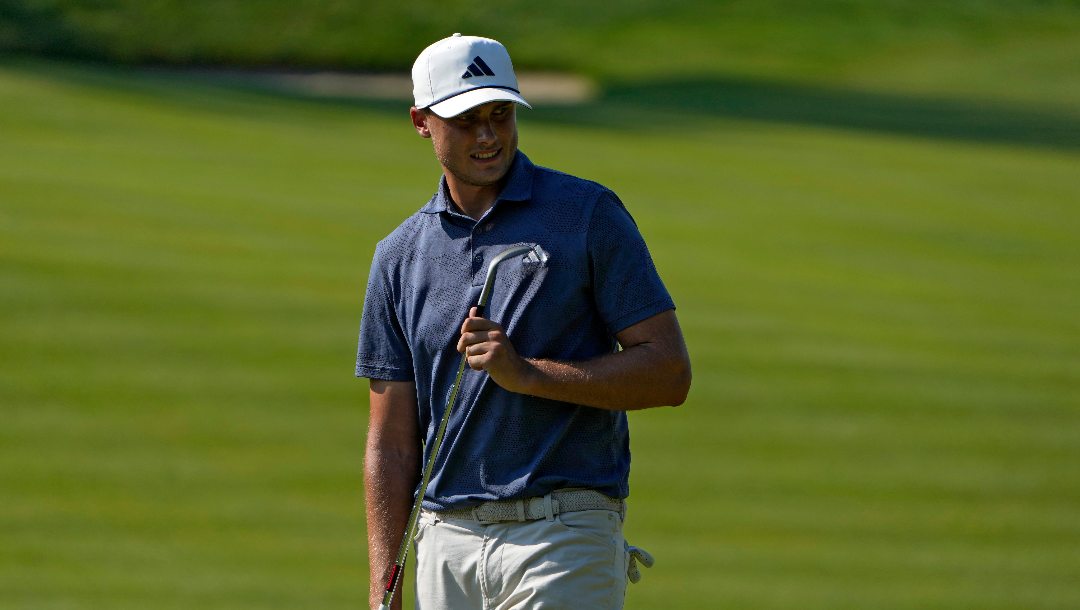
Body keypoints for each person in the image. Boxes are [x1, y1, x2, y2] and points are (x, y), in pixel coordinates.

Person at [356, 33, 691, 610]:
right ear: (421, 120)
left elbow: (668, 372)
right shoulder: (399, 256)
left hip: (563, 531)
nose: (488, 135)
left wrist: (530, 375)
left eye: (501, 114)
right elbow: (390, 441)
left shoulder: (587, 215)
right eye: (466, 120)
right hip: (445, 543)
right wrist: (383, 586)